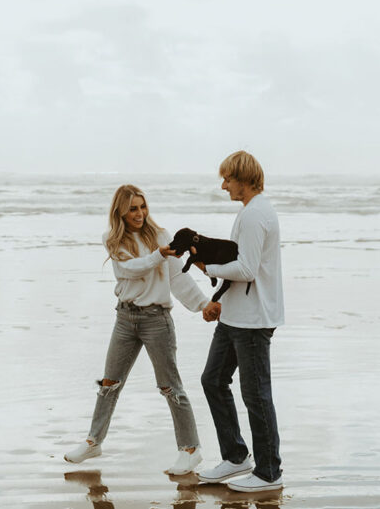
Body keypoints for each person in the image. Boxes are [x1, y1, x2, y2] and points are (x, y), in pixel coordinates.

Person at [64, 184, 211, 475]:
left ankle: (190, 450)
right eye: (133, 208)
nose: (139, 213)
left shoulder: (160, 236)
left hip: (157, 320)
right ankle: (94, 441)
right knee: (109, 384)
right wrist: (159, 255)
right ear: (120, 210)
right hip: (125, 318)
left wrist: (203, 304)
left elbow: (177, 278)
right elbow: (129, 269)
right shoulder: (111, 240)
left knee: (170, 386)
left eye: (142, 206)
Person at [191, 151, 285, 492]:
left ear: (243, 179)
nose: (223, 185)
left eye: (227, 179)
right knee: (213, 380)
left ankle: (269, 473)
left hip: (253, 320)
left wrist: (209, 269)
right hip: (234, 316)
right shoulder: (249, 211)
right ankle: (236, 457)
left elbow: (246, 269)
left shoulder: (256, 214)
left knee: (256, 395)